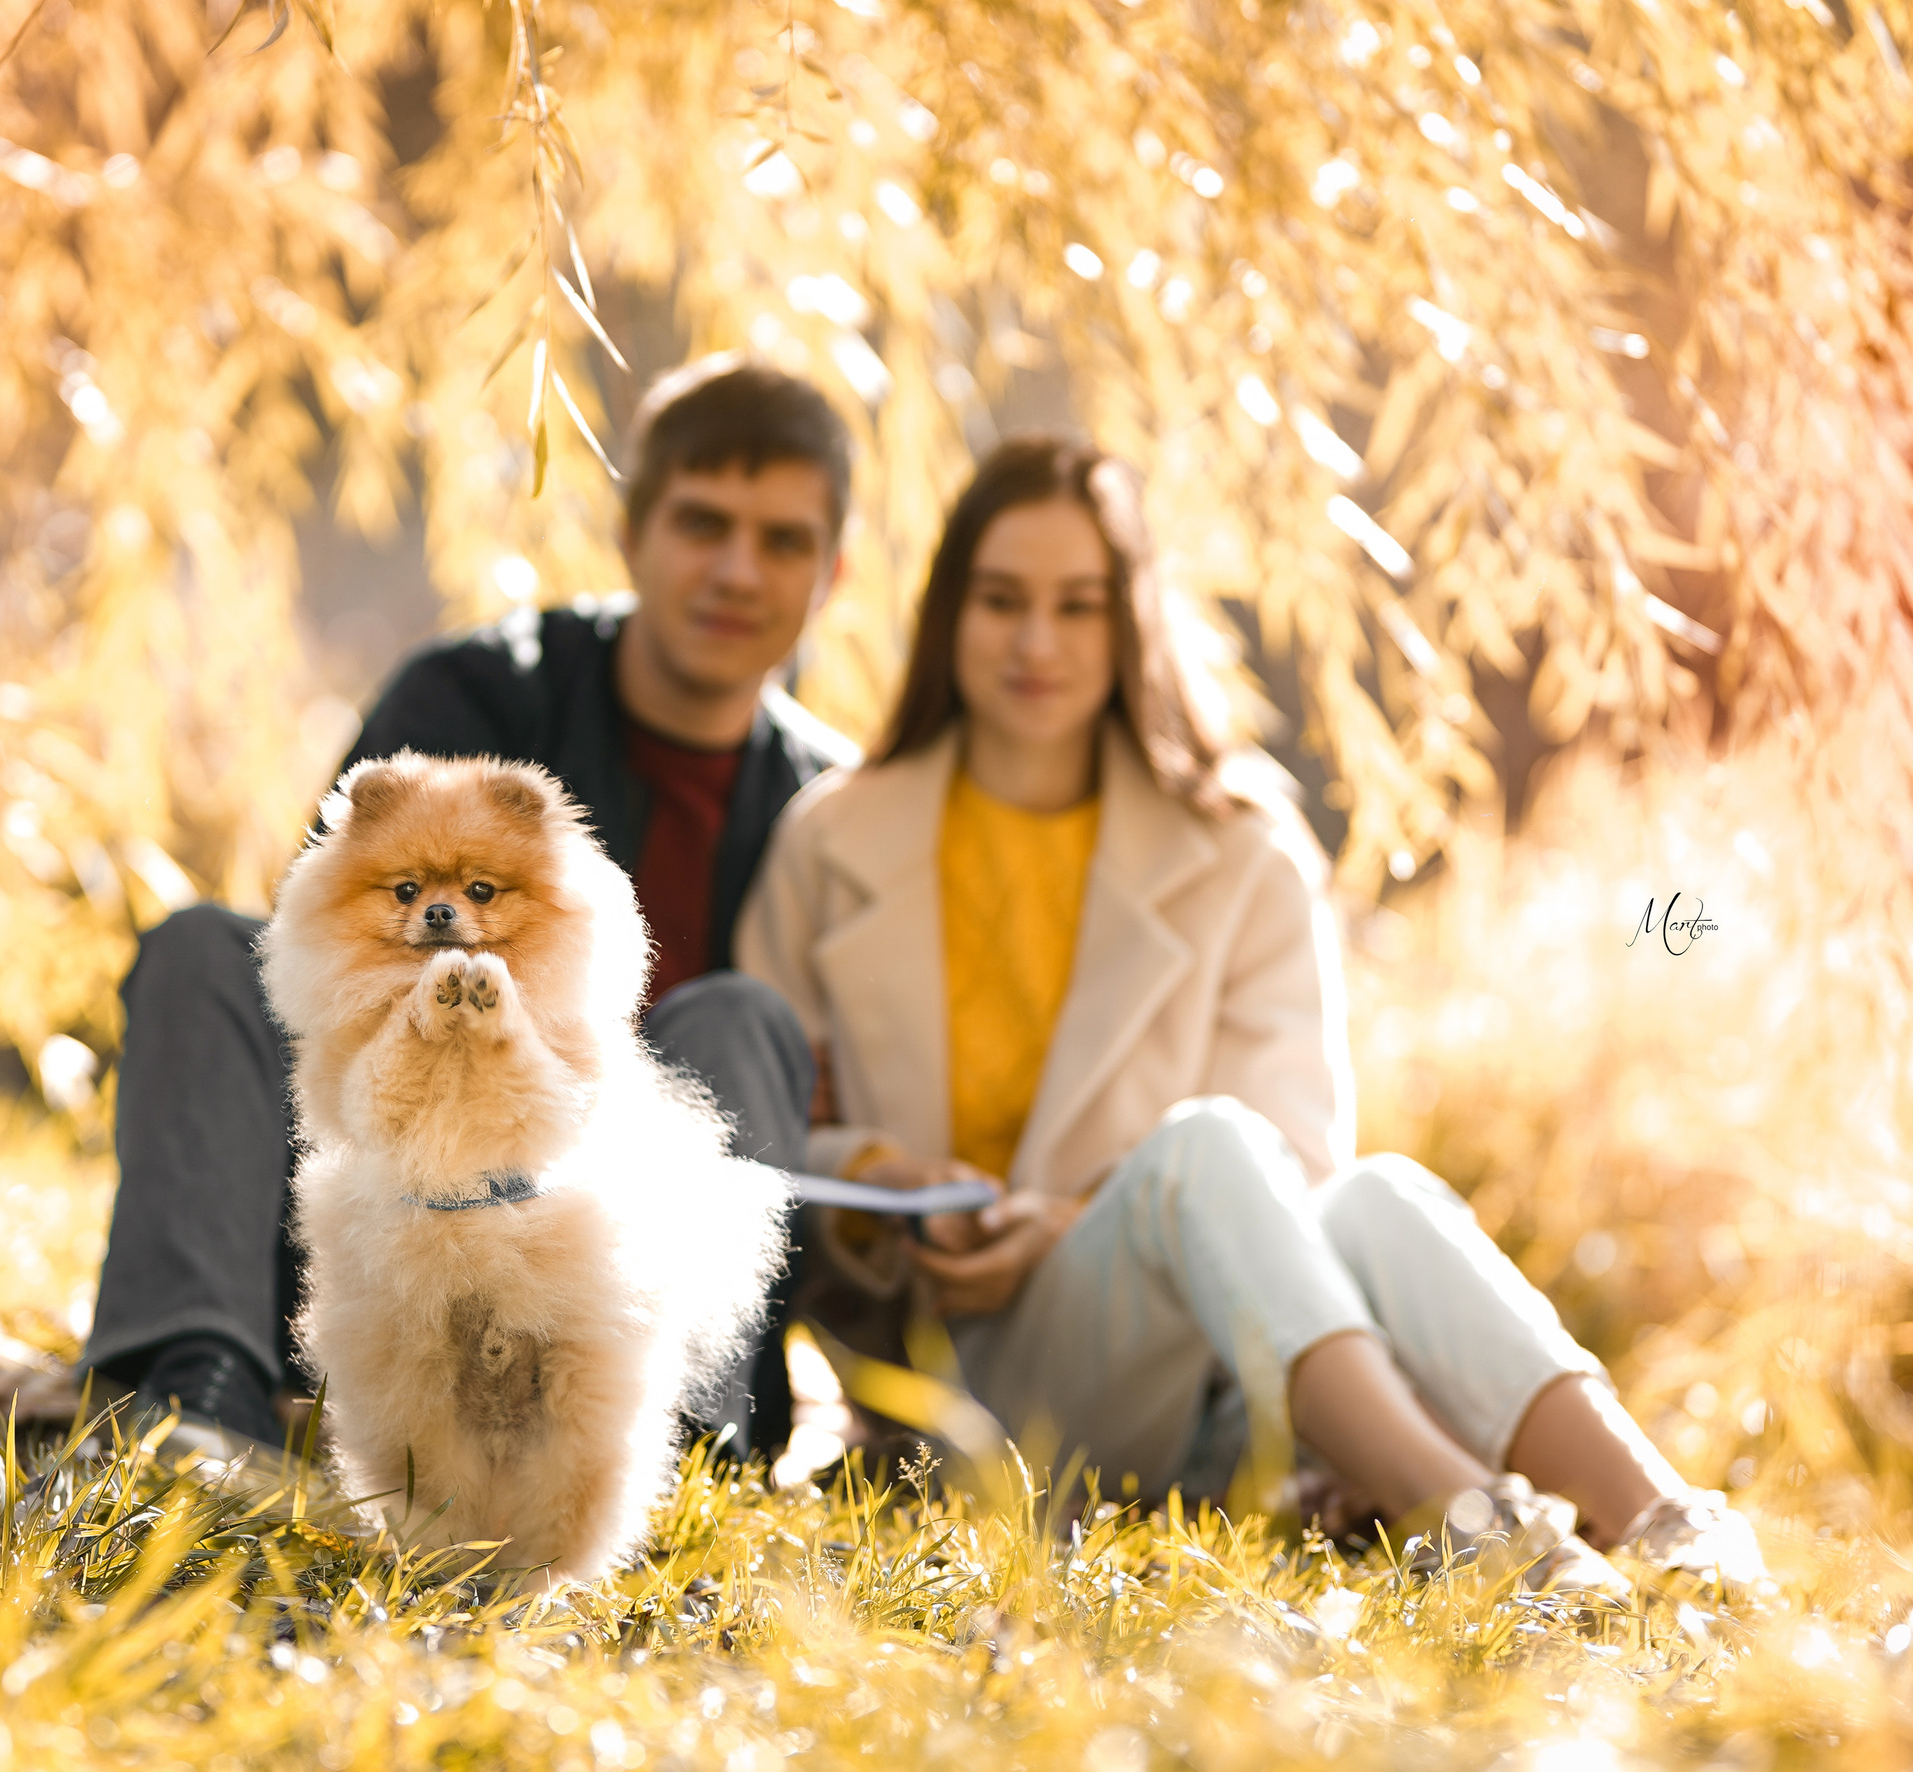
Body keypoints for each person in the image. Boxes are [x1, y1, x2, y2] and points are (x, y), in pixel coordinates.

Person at [736, 437, 1762, 1592]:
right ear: (948, 612)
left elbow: (1299, 1153)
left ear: (1133, 622)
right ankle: (1470, 1526)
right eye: (1002, 600)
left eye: (1078, 606)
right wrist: (885, 1186)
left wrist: (1072, 1216)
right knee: (1202, 1147)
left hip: (1211, 1375)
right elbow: (760, 1139)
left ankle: (1671, 1527)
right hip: (960, 1384)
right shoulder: (833, 839)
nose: (1037, 642)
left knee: (1372, 1193)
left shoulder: (1239, 844)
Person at [81, 358, 857, 1460]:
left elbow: (824, 1086)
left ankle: (675, 1437)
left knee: (743, 1018)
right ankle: (196, 1383)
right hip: (394, 1222)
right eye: (702, 523)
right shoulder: (473, 702)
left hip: (611, 1275)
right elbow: (336, 958)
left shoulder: (833, 806)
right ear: (633, 533)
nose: (736, 569)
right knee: (204, 951)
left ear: (833, 572)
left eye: (781, 539)